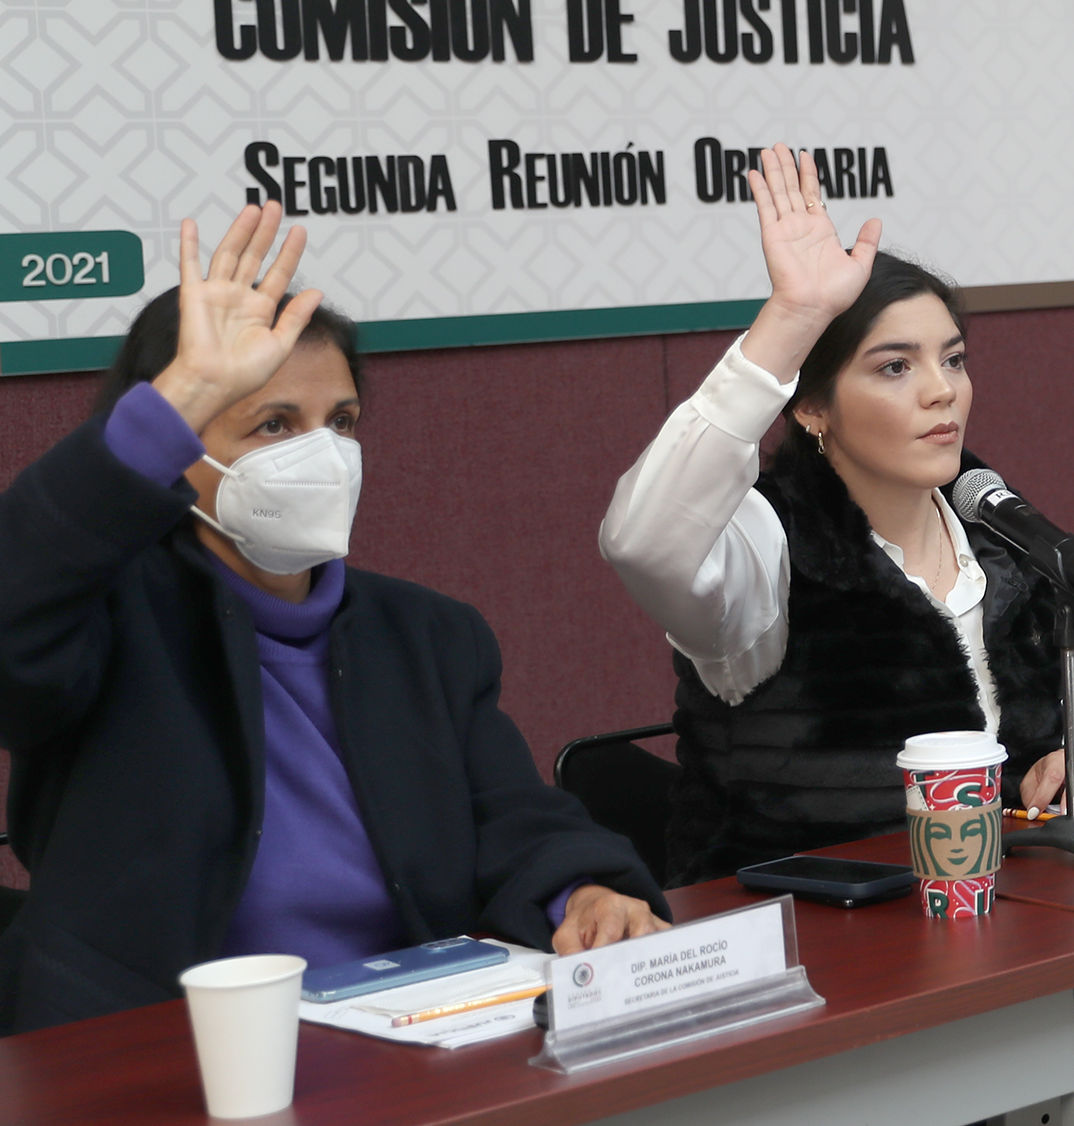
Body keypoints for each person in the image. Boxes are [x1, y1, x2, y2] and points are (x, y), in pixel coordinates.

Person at [0, 205, 666, 1036]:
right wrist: (179, 396)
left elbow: (509, 815)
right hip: (156, 1051)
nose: (323, 454)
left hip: (403, 1035)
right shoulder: (103, 617)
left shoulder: (428, 635)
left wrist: (585, 891)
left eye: (341, 422)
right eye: (273, 423)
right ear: (177, 445)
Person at [601, 146, 1074, 889]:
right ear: (810, 405)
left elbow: (1054, 718)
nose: (942, 391)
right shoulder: (769, 543)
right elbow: (642, 541)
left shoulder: (995, 524)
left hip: (1005, 914)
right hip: (810, 926)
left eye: (954, 359)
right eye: (895, 366)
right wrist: (793, 317)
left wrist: (1069, 759)